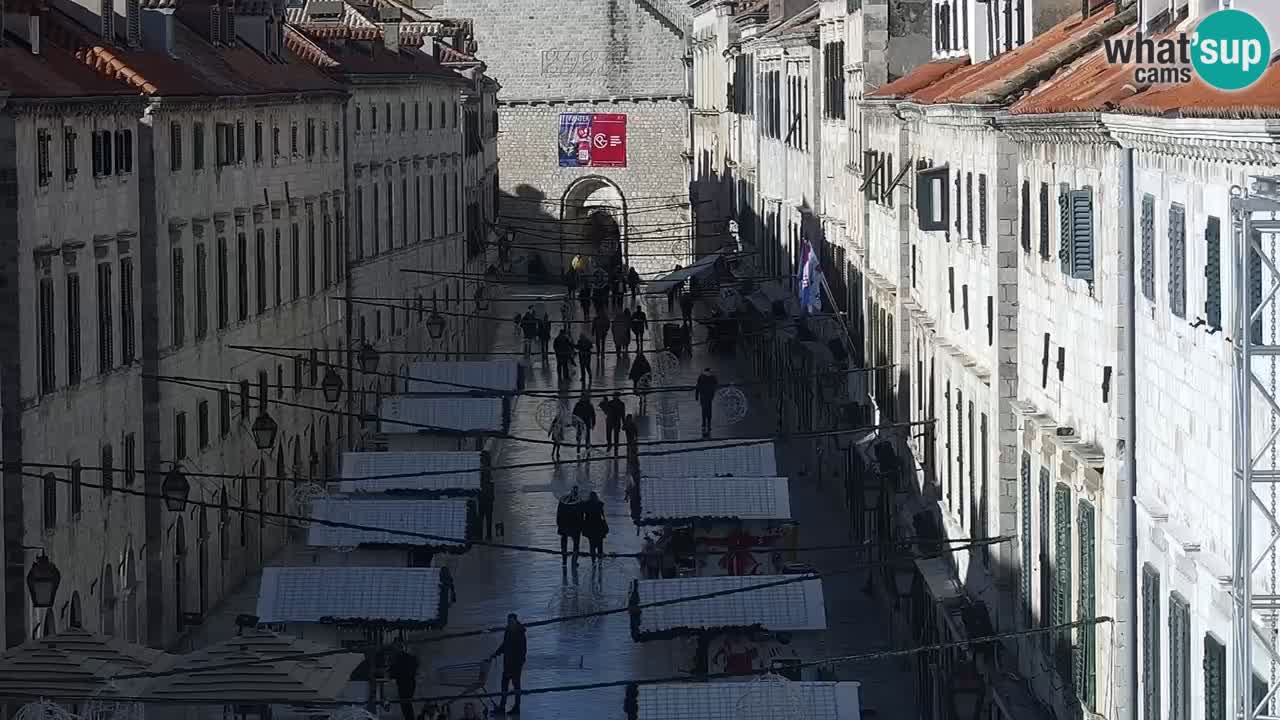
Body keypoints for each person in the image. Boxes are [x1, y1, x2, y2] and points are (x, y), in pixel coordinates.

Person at [490, 613, 528, 714]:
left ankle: (515, 708)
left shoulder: (519, 633)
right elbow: (505, 645)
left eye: (511, 621)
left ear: (515, 621)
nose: (509, 623)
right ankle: (503, 707)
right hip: (507, 664)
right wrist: (496, 653)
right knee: (505, 686)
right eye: (508, 622)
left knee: (515, 687)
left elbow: (522, 651)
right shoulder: (508, 631)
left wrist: (518, 664)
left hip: (515, 665)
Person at [388, 645, 418, 720]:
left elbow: (393, 673)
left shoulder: (398, 658)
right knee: (407, 704)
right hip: (410, 683)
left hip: (404, 684)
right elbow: (415, 665)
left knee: (405, 704)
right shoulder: (408, 657)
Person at [556, 487, 583, 563]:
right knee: (576, 543)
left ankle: (564, 557)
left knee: (564, 540)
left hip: (564, 525)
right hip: (575, 526)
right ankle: (574, 560)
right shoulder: (579, 501)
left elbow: (559, 513)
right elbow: (581, 515)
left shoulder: (562, 500)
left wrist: (558, 523)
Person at [581, 491, 609, 561]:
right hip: (599, 525)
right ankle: (600, 561)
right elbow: (602, 516)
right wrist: (605, 524)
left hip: (590, 526)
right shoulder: (599, 504)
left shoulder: (586, 504)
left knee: (592, 544)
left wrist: (583, 525)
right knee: (600, 543)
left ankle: (593, 560)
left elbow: (584, 515)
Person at [694, 367, 719, 437]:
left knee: (704, 410)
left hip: (703, 396)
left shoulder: (701, 377)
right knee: (709, 410)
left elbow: (697, 386)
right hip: (709, 396)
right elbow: (716, 384)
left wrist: (696, 396)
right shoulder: (712, 377)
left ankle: (704, 423)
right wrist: (713, 392)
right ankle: (708, 424)